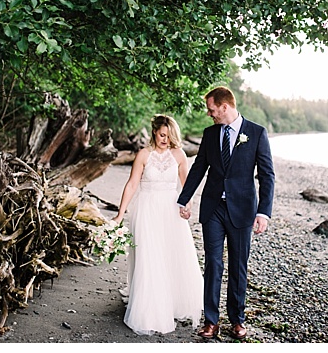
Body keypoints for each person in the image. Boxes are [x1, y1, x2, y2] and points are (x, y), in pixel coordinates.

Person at [177, 86, 275, 340]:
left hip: (242, 210)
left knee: (238, 266)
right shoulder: (210, 134)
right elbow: (199, 168)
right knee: (213, 264)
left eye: (212, 109)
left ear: (224, 106)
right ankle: (211, 320)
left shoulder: (256, 133)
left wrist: (264, 213)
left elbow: (266, 176)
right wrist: (183, 200)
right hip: (213, 209)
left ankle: (237, 320)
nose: (210, 114)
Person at [113, 114, 204, 335]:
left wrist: (187, 206)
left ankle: (171, 301)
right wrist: (119, 214)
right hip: (147, 210)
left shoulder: (179, 155)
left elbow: (187, 185)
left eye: (169, 135)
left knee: (171, 254)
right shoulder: (144, 154)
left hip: (171, 211)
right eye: (162, 135)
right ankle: (150, 307)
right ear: (155, 132)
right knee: (149, 256)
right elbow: (132, 183)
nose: (165, 139)